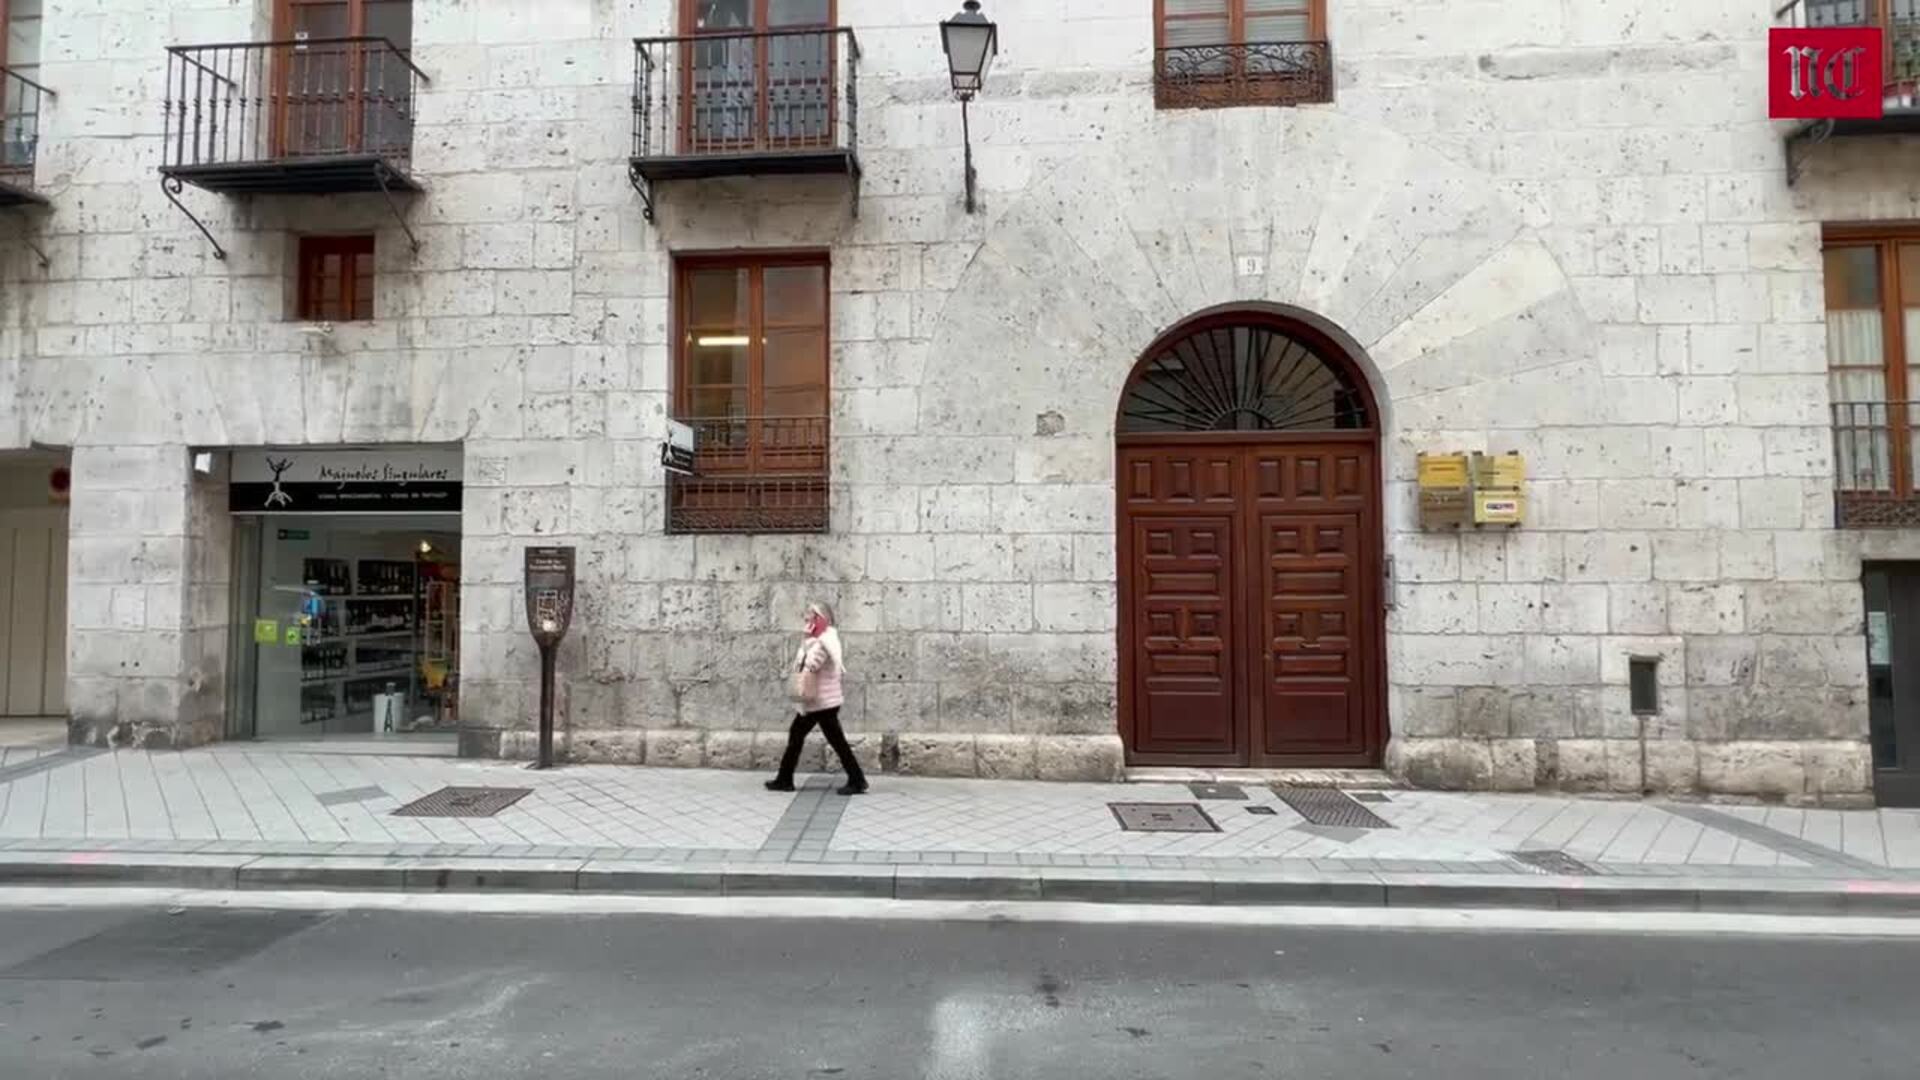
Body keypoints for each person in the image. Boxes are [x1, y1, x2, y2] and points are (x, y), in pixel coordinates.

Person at [766, 602, 868, 796]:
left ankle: (857, 780)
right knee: (812, 737)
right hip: (821, 701)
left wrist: (806, 641)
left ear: (821, 618)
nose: (806, 618)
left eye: (811, 615)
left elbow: (812, 664)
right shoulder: (820, 638)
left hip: (821, 702)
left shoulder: (823, 642)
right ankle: (785, 778)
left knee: (807, 737)